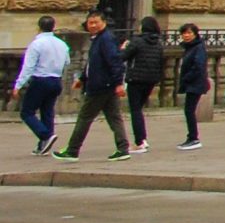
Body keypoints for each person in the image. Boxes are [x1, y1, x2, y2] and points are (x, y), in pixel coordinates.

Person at [53, 11, 132, 162]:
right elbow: (93, 63)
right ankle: (123, 149)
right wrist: (83, 78)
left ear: (104, 23)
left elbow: (115, 62)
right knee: (114, 118)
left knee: (85, 117)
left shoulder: (106, 39)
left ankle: (72, 150)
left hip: (101, 86)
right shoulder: (98, 39)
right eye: (90, 23)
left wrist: (118, 83)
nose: (93, 25)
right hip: (104, 84)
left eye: (96, 22)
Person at [12, 14, 69, 154]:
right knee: (47, 111)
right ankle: (43, 145)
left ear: (38, 27)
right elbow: (67, 62)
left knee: (27, 112)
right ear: (53, 27)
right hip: (56, 80)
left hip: (41, 80)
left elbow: (28, 67)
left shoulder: (36, 44)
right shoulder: (62, 44)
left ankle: (46, 135)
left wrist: (18, 85)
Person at [121, 14, 165, 151]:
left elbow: (123, 57)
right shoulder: (158, 43)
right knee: (138, 109)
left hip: (136, 78)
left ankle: (140, 141)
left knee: (135, 110)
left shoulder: (137, 41)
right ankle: (142, 139)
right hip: (151, 79)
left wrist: (123, 48)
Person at [174, 22, 209, 150]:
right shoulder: (190, 47)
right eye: (184, 33)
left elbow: (198, 66)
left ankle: (194, 138)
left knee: (189, 110)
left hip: (195, 83)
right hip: (192, 82)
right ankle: (192, 137)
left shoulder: (198, 47)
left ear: (195, 34)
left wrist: (187, 77)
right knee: (189, 110)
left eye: (189, 33)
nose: (186, 36)